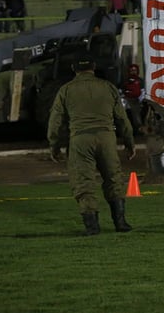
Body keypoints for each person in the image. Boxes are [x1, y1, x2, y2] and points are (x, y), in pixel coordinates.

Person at [47, 54, 136, 236]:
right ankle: (120, 223)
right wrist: (129, 143)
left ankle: (92, 227)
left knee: (84, 182)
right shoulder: (108, 87)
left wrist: (54, 146)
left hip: (80, 139)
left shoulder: (66, 90)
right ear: (94, 67)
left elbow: (55, 122)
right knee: (113, 178)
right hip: (106, 137)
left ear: (74, 69)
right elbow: (122, 119)